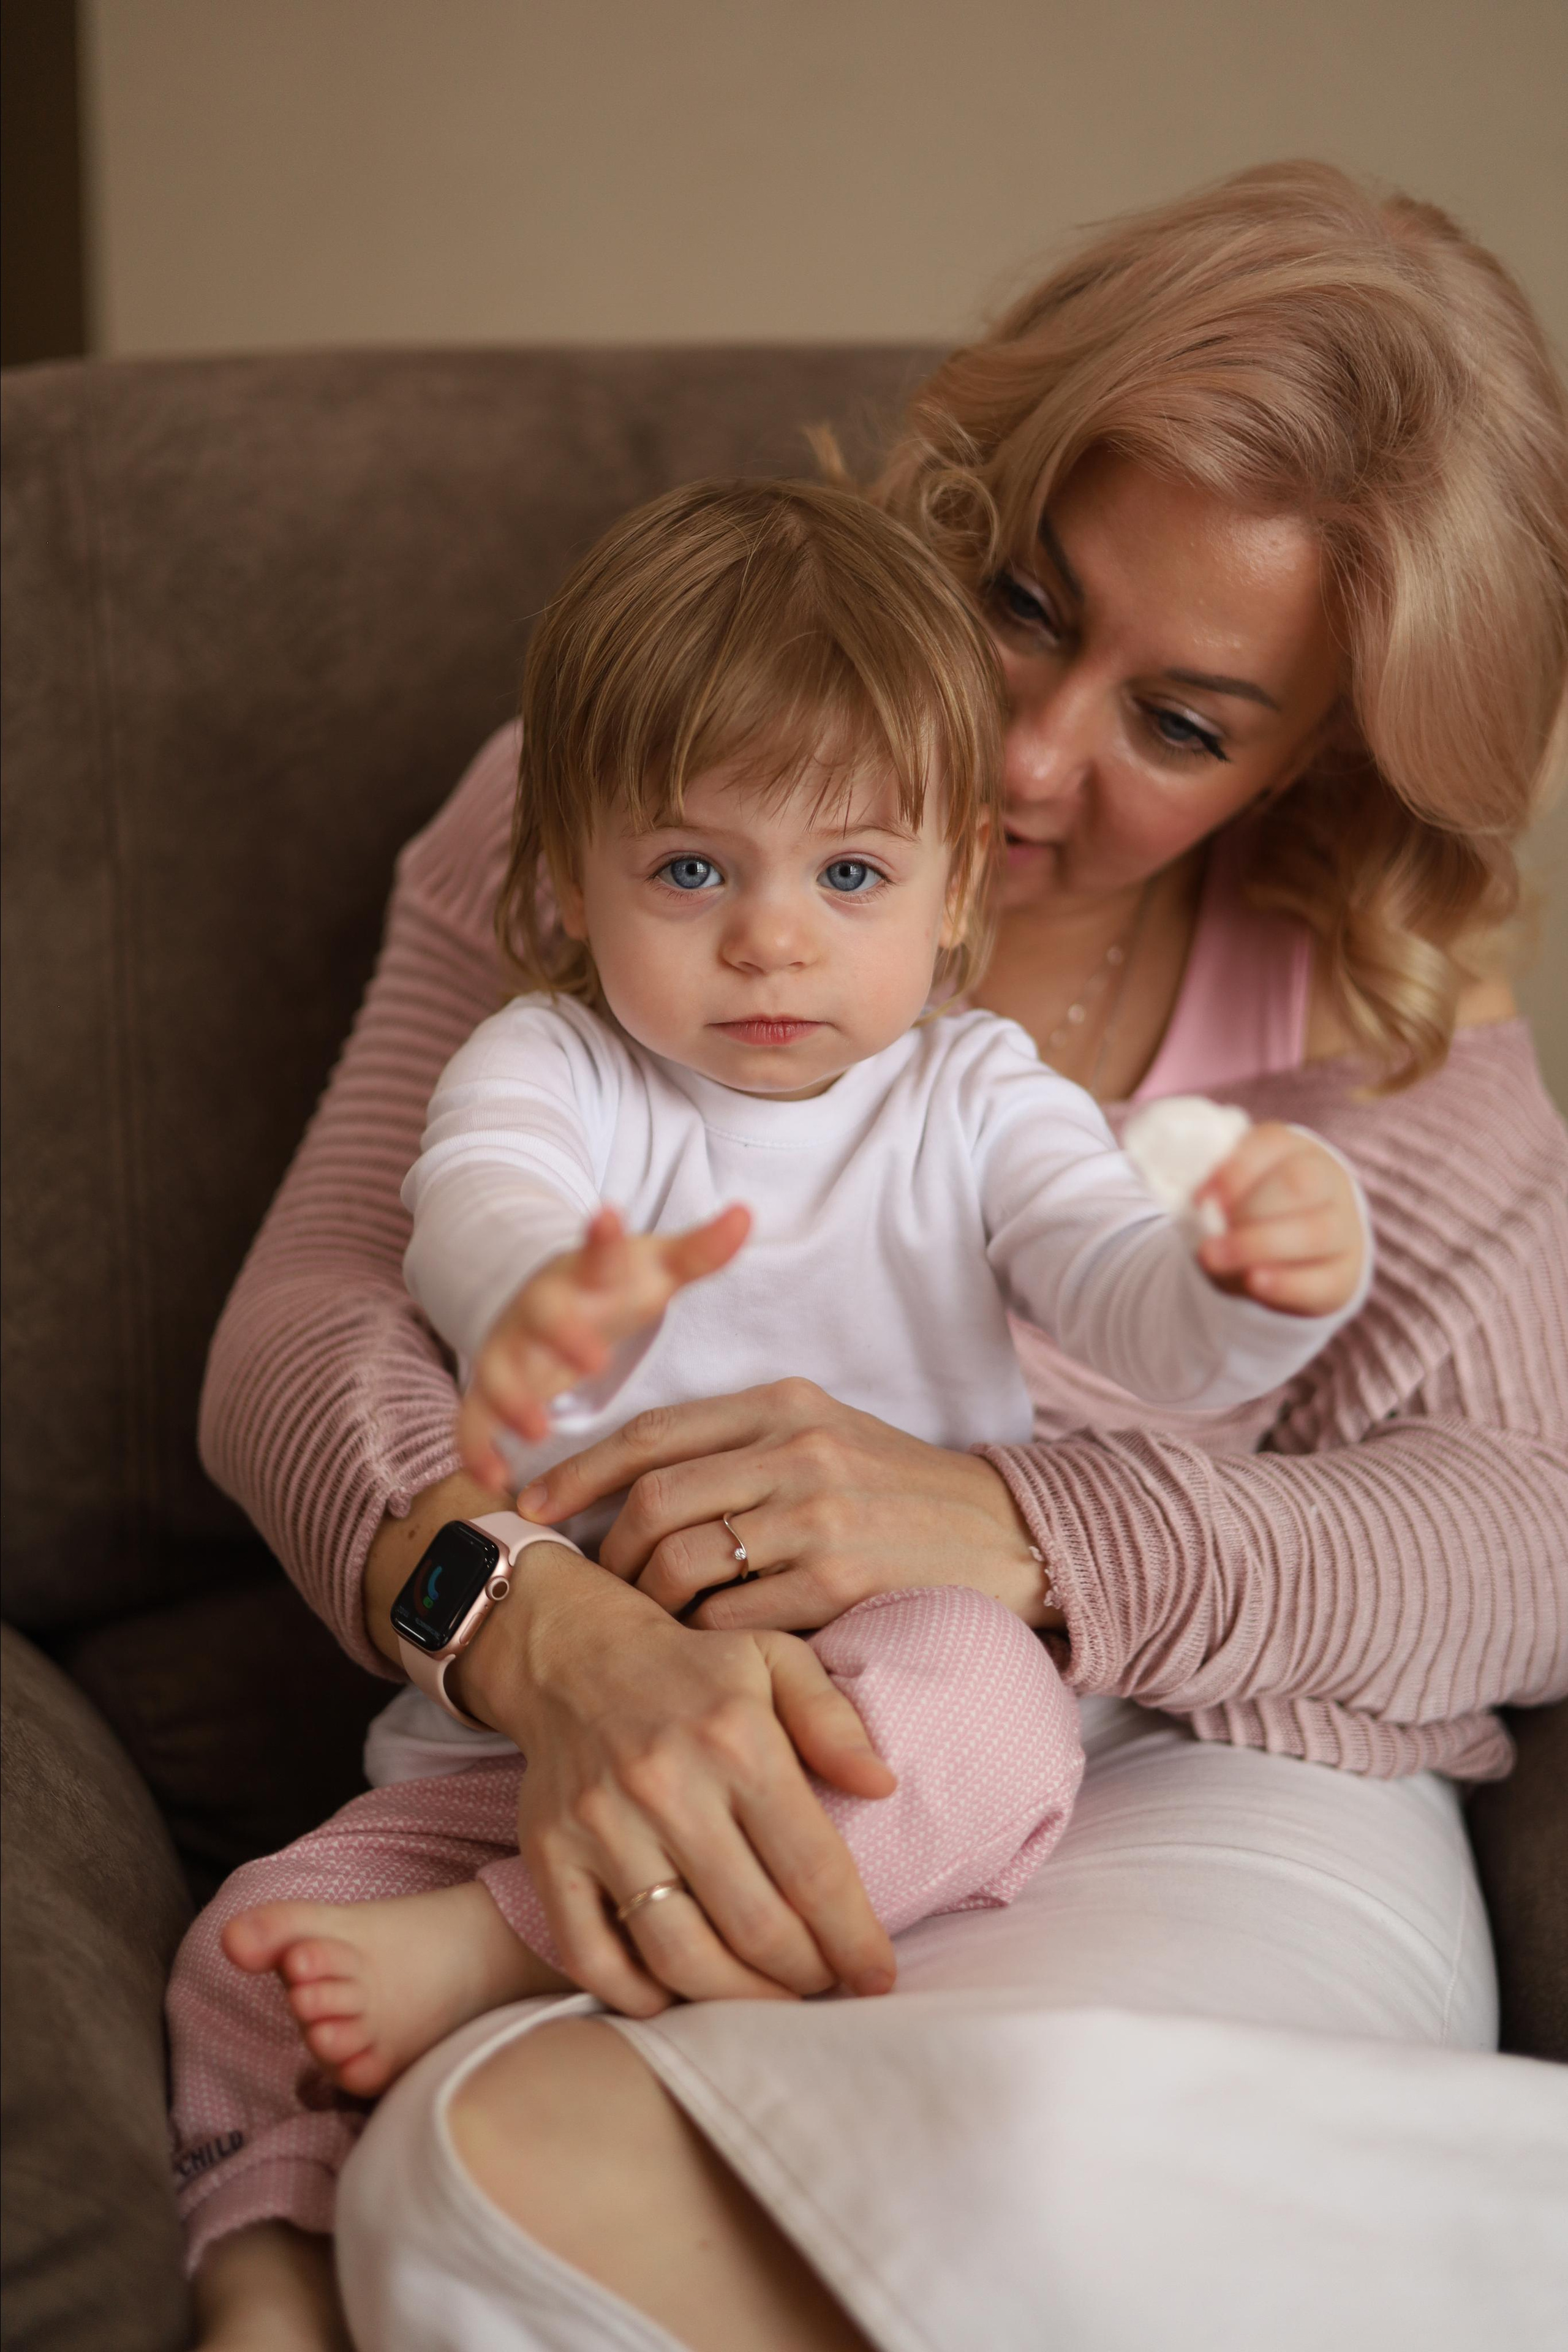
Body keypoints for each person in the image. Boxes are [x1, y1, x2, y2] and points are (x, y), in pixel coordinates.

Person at [188, 163, 1568, 2352]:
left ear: (1332, 762)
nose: (1032, 760)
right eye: (1030, 603)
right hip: (653, 1688)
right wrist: (537, 1634)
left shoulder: (1382, 1025)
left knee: (1029, 2164)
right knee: (477, 2193)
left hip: (1198, 1773)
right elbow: (313, 1322)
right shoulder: (630, 802)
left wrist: (1023, 1525)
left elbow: (1518, 1536)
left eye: (1183, 725)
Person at [167, 478, 1370, 2143]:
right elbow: (478, 1201)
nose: (772, 941)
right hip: (545, 1725)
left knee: (994, 1713)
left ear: (958, 891)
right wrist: (536, 1291)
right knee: (238, 1960)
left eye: (854, 873)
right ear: (568, 881)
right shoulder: (546, 1063)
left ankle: (504, 1955)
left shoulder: (979, 1096)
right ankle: (264, 2268)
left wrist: (1242, 1285)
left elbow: (1123, 1297)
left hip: (865, 1695)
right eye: (689, 868)